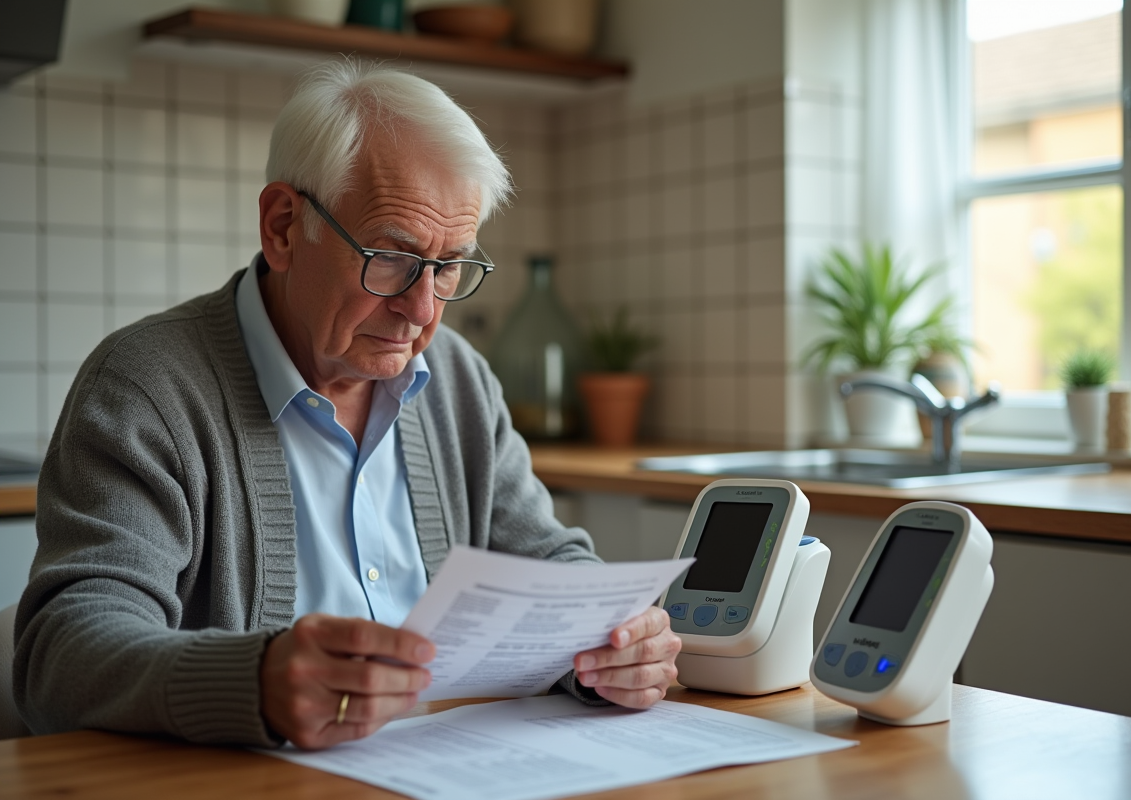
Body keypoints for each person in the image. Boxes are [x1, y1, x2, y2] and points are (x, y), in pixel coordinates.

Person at [14, 61, 681, 750]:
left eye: (449, 265)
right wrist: (253, 682)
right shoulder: (146, 387)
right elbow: (61, 654)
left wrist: (613, 643)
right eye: (390, 257)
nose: (421, 310)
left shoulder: (458, 379)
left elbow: (545, 561)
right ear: (282, 227)